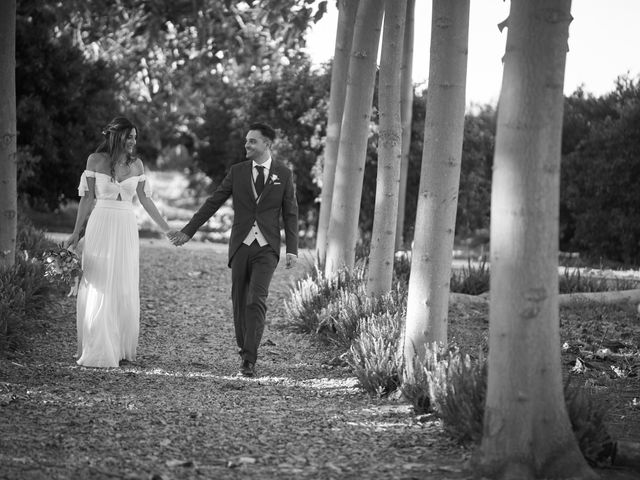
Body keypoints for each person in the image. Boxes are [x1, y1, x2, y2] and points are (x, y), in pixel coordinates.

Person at [168, 122, 298, 377]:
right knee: (239, 300)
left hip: (267, 248)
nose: (247, 145)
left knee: (256, 299)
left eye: (253, 141)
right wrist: (188, 230)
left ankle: (249, 359)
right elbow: (213, 202)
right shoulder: (237, 172)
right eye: (246, 140)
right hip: (240, 245)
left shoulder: (284, 173)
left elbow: (290, 213)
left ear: (267, 144)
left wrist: (292, 249)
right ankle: (244, 346)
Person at [64, 117, 172, 368]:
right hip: (101, 223)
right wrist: (75, 233)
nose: (134, 141)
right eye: (129, 136)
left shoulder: (138, 165)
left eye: (135, 137)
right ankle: (99, 347)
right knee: (99, 281)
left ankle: (119, 346)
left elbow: (145, 201)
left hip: (126, 226)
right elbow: (87, 199)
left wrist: (167, 230)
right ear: (115, 136)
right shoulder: (95, 160)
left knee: (122, 284)